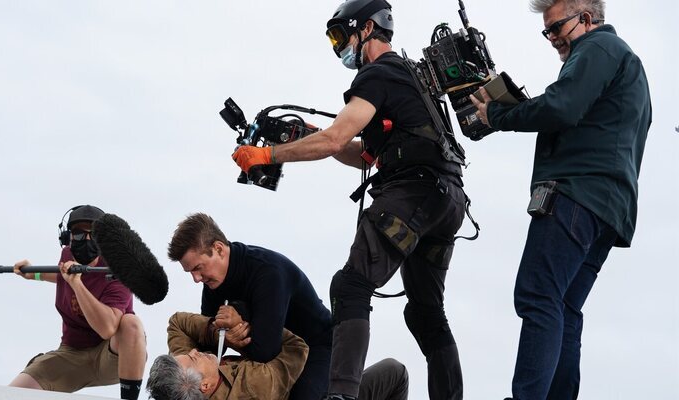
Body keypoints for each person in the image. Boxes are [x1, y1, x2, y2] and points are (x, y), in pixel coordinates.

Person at [231, 1, 469, 399]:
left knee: (351, 285)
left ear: (368, 28)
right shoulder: (410, 77)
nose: (338, 47)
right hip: (447, 200)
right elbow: (361, 153)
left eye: (341, 35)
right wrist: (309, 133)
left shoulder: (377, 73)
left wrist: (267, 154)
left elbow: (335, 139)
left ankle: (340, 394)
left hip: (412, 190)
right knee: (425, 312)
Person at [469, 0, 651, 398]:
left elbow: (561, 107)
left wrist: (497, 116)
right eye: (546, 31)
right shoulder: (627, 65)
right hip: (608, 211)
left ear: (586, 19)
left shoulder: (599, 49)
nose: (551, 38)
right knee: (564, 308)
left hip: (575, 196)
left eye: (556, 28)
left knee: (537, 296)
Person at [167, 213, 333, 400]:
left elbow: (264, 352)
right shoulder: (212, 282)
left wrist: (239, 315)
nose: (196, 279)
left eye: (198, 268)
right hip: (272, 353)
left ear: (219, 249)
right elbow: (210, 347)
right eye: (190, 272)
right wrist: (220, 335)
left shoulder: (269, 272)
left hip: (318, 348)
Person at [9, 205, 147, 400]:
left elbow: (107, 328)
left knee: (131, 324)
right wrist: (34, 273)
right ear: (68, 238)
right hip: (71, 353)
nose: (87, 239)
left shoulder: (119, 268)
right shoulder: (67, 255)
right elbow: (61, 274)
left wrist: (78, 285)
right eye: (79, 234)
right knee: (11, 393)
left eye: (95, 234)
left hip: (111, 357)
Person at [146, 311, 409, 400]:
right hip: (314, 394)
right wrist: (243, 335)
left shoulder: (183, 385)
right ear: (204, 385)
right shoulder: (252, 387)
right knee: (395, 372)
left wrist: (216, 330)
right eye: (193, 358)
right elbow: (297, 349)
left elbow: (177, 323)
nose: (193, 351)